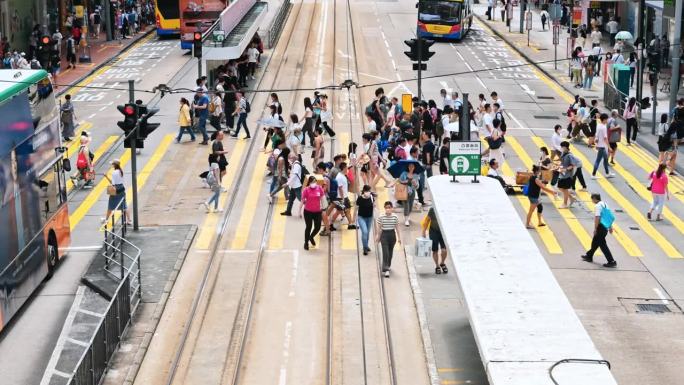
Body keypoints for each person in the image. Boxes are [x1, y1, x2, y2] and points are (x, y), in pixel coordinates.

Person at [581, 193, 617, 268]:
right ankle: (589, 256)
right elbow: (608, 217)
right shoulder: (605, 204)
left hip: (601, 227)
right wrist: (610, 227)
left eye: (592, 199)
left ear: (594, 198)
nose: (592, 201)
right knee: (595, 242)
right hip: (605, 227)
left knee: (602, 244)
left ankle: (611, 261)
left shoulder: (597, 206)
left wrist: (595, 228)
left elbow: (597, 217)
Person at [375, 201, 401, 277]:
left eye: (389, 208)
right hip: (384, 235)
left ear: (392, 208)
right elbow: (379, 228)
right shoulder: (381, 217)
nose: (388, 209)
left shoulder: (395, 217)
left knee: (390, 253)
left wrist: (399, 238)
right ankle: (385, 269)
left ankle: (388, 266)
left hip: (392, 235)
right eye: (386, 208)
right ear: (384, 208)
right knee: (385, 252)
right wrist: (378, 237)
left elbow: (397, 228)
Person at [525, 165, 555, 229]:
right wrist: (552, 192)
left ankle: (540, 222)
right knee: (531, 211)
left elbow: (538, 183)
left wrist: (542, 181)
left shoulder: (533, 176)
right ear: (537, 171)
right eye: (539, 170)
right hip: (534, 197)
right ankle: (527, 224)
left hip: (534, 196)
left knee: (540, 207)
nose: (540, 172)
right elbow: (543, 187)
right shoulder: (535, 178)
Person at [103, 159, 133, 225]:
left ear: (114, 165)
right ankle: (129, 220)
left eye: (112, 164)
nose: (112, 165)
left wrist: (106, 176)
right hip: (122, 188)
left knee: (110, 205)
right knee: (124, 205)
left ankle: (106, 219)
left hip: (116, 189)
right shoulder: (121, 171)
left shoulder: (114, 173)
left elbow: (113, 183)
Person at [300, 175, 326, 250]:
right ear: (309, 183)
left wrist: (324, 208)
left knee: (317, 227)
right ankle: (306, 243)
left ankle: (311, 237)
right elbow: (302, 200)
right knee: (309, 227)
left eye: (315, 182)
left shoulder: (319, 188)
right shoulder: (306, 190)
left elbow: (322, 198)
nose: (314, 183)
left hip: (317, 212)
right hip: (308, 212)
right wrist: (299, 211)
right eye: (312, 182)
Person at [423, 208, 447, 274]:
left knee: (444, 250)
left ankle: (442, 263)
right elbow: (427, 220)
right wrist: (424, 231)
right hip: (433, 231)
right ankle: (437, 266)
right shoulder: (432, 209)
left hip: (443, 232)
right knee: (435, 250)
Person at [592, 113, 615, 179]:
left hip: (600, 145)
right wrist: (609, 147)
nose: (607, 120)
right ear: (604, 120)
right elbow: (605, 138)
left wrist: (596, 143)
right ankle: (593, 174)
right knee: (598, 160)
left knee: (605, 159)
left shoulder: (599, 125)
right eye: (607, 119)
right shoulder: (603, 127)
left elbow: (597, 135)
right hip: (602, 146)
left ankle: (607, 173)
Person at [355, 184, 375, 255]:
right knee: (365, 232)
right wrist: (354, 219)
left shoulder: (372, 197)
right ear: (364, 191)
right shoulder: (360, 198)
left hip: (370, 217)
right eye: (367, 191)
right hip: (361, 217)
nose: (368, 192)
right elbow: (356, 208)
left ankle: (366, 245)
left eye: (369, 191)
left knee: (367, 233)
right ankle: (365, 248)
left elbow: (374, 205)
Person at [398, 162, 420, 227]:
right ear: (408, 167)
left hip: (412, 192)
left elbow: (417, 186)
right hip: (404, 191)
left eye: (412, 166)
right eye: (410, 166)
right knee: (406, 205)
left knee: (410, 206)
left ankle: (408, 216)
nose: (411, 168)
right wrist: (403, 182)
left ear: (414, 168)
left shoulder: (416, 175)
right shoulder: (404, 174)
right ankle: (406, 219)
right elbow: (399, 181)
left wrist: (415, 184)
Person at [558, 141, 577, 208]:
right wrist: (558, 166)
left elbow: (573, 165)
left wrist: (565, 169)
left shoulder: (570, 155)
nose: (561, 148)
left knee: (565, 189)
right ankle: (572, 198)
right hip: (562, 174)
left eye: (562, 147)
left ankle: (565, 204)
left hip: (567, 175)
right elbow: (562, 162)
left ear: (566, 147)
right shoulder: (563, 153)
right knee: (560, 187)